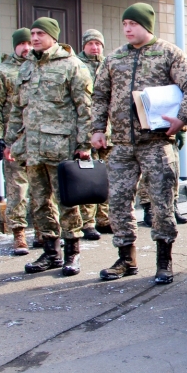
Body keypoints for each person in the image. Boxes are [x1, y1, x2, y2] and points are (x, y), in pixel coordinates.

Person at [92, 3, 187, 285]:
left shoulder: (168, 53)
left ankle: (164, 260)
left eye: (134, 24)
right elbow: (99, 96)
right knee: (117, 202)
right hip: (121, 144)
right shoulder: (113, 59)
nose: (128, 29)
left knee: (161, 203)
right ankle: (126, 257)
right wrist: (96, 129)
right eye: (125, 24)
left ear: (147, 26)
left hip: (156, 142)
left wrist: (182, 118)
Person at [4, 18, 93, 276]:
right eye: (32, 33)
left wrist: (84, 143)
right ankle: (51, 251)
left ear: (53, 37)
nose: (34, 38)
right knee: (39, 201)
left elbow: (84, 107)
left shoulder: (72, 66)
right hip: (31, 147)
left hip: (61, 147)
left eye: (40, 33)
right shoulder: (27, 67)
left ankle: (72, 252)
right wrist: (11, 141)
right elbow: (17, 108)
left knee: (66, 200)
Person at [0, 28, 34, 255]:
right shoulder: (2, 73)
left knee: (43, 189)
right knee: (17, 189)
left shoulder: (40, 69)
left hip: (42, 140)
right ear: (15, 45)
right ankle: (19, 233)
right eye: (22, 43)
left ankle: (44, 232)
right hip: (14, 140)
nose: (27, 47)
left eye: (30, 43)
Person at [76, 29, 112, 239]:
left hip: (108, 132)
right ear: (84, 45)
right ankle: (88, 222)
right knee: (88, 177)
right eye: (91, 43)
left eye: (98, 43)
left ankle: (104, 219)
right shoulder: (76, 66)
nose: (95, 47)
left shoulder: (107, 64)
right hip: (87, 130)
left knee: (107, 176)